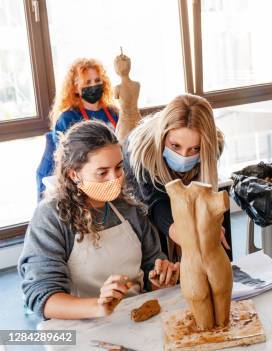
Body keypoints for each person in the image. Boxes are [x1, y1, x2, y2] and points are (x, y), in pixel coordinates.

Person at [20, 121, 178, 320]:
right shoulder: (52, 217)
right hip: (80, 327)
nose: (115, 179)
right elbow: (41, 296)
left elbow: (150, 269)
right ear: (74, 174)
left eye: (119, 168)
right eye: (102, 172)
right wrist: (98, 307)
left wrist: (160, 280)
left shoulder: (129, 209)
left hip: (135, 319)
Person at [124, 94, 226, 257]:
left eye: (195, 149)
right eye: (175, 146)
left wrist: (208, 225)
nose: (184, 156)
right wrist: (188, 237)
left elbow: (201, 194)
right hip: (146, 201)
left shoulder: (215, 145)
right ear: (163, 136)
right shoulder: (140, 151)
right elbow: (156, 204)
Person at [36, 58, 119, 199]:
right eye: (88, 82)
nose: (94, 85)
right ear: (75, 88)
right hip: (83, 178)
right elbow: (66, 159)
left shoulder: (112, 112)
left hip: (109, 173)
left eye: (97, 80)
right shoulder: (68, 118)